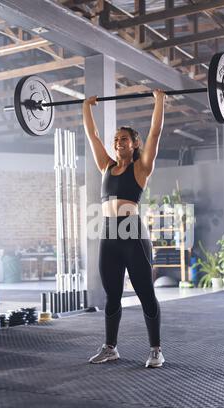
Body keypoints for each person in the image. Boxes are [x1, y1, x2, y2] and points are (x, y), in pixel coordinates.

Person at [83, 89, 166, 368]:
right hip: (108, 234)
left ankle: (155, 349)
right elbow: (92, 136)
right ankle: (110, 347)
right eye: (116, 139)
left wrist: (159, 101)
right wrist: (86, 106)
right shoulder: (105, 166)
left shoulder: (142, 167)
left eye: (124, 139)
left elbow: (155, 132)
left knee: (145, 294)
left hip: (132, 234)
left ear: (134, 144)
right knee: (112, 295)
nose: (118, 142)